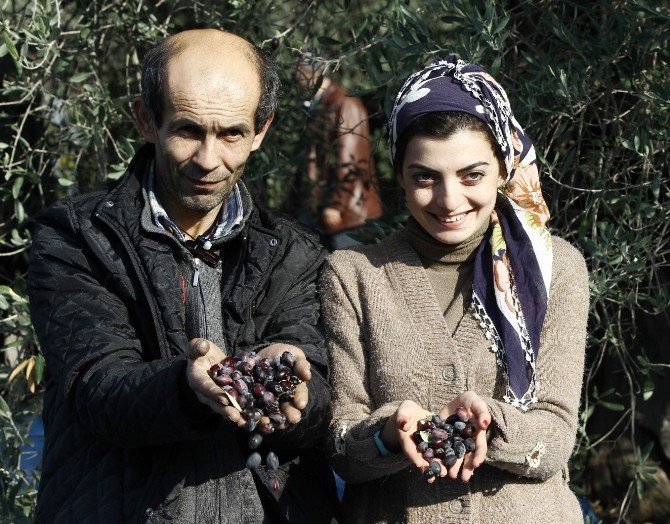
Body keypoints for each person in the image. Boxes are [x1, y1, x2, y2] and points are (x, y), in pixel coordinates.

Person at [27, 29, 339, 523]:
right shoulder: (76, 239)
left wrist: (303, 389)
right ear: (146, 120)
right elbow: (98, 388)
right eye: (189, 131)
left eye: (232, 134)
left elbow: (317, 396)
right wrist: (187, 387)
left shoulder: (293, 254)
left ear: (262, 131)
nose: (208, 160)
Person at [319, 56, 589, 523]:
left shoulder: (554, 267)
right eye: (425, 176)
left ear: (503, 167)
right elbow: (341, 445)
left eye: (472, 175)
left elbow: (556, 435)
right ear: (399, 174)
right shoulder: (352, 275)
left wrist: (493, 423)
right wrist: (387, 434)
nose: (449, 201)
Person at [296, 57, 383, 250]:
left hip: (348, 213)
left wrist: (336, 203)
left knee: (348, 271)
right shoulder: (322, 103)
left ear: (308, 75)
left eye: (298, 75)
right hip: (324, 206)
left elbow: (351, 158)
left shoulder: (344, 103)